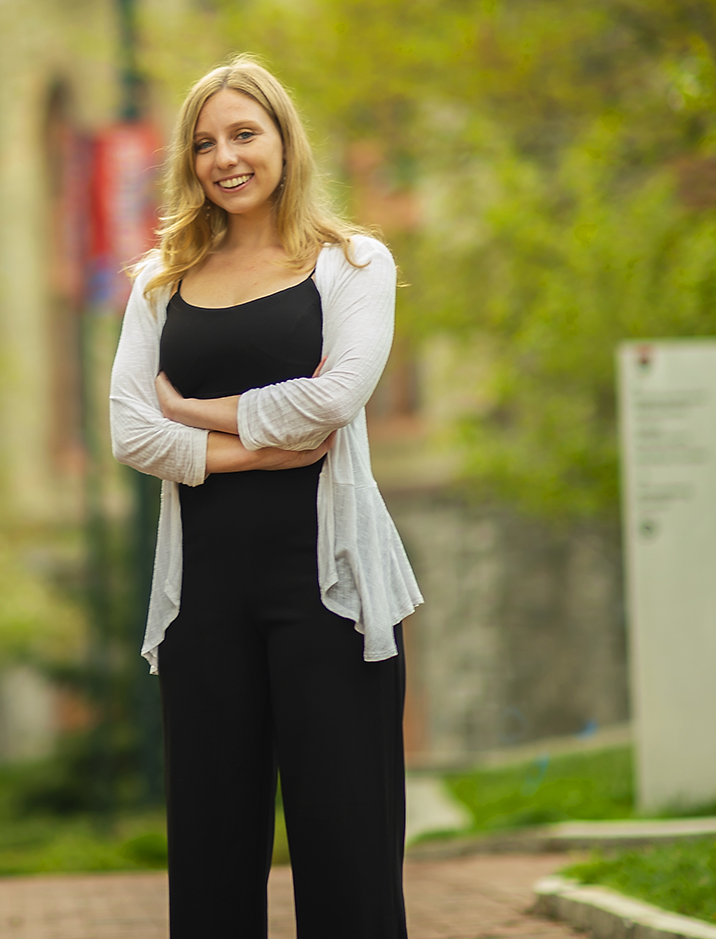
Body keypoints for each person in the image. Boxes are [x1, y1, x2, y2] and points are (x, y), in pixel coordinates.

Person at [109, 58, 424, 939]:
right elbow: (130, 432)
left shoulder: (353, 263)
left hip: (332, 590)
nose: (225, 157)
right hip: (203, 598)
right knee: (210, 856)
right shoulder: (159, 282)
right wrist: (254, 452)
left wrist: (196, 414)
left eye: (245, 134)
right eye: (205, 143)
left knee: (349, 846)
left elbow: (333, 401)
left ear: (285, 141)